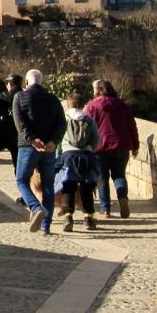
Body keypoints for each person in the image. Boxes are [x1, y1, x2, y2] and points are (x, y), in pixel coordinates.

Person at [13, 68, 66, 235]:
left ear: (26, 83)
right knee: (48, 185)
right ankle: (46, 225)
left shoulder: (19, 97)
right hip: (48, 149)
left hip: (29, 147)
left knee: (22, 180)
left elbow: (19, 123)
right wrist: (53, 141)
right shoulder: (53, 99)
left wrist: (31, 139)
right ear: (42, 82)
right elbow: (61, 123)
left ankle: (35, 208)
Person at [85, 78, 139, 218]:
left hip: (99, 147)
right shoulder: (123, 105)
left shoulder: (92, 106)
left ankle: (105, 209)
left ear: (97, 91)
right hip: (121, 145)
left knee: (102, 177)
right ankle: (122, 198)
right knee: (119, 175)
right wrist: (135, 146)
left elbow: (87, 128)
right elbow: (132, 127)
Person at [56, 91, 101, 232]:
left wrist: (60, 154)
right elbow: (96, 140)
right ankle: (89, 219)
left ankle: (68, 217)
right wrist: (89, 149)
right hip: (86, 156)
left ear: (68, 104)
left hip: (68, 156)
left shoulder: (64, 119)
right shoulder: (88, 119)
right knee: (87, 187)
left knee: (68, 186)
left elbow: (57, 139)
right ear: (82, 105)